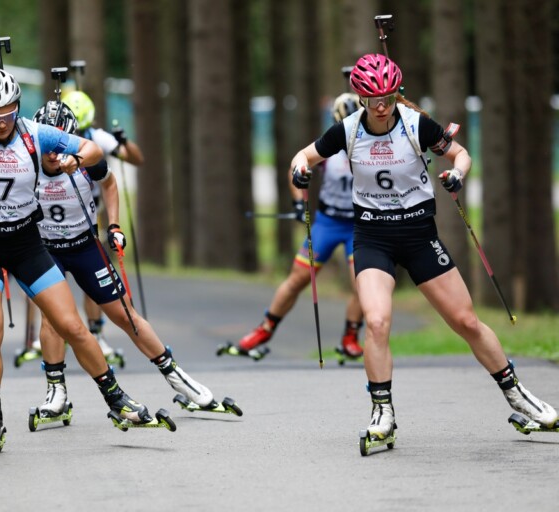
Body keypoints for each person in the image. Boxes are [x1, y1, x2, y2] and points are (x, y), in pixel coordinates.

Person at [288, 53, 558, 444]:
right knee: (376, 322)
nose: (381, 106)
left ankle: (518, 395)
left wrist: (457, 174)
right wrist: (300, 169)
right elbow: (304, 155)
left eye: (387, 97)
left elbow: (461, 153)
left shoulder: (416, 124)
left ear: (396, 93)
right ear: (360, 97)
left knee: (466, 322)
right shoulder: (348, 130)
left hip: (418, 235)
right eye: (372, 99)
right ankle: (382, 411)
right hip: (373, 237)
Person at [0, 66, 157, 451]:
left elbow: (91, 150)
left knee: (73, 326)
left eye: (7, 113)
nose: (1, 122)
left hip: (27, 244)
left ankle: (117, 401)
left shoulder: (35, 133)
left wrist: (76, 160)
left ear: (18, 106)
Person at [31, 100, 221, 419]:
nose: (52, 153)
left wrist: (115, 226)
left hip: (85, 245)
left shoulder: (85, 158)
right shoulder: (28, 163)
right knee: (52, 317)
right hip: (46, 248)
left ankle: (177, 377)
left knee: (125, 314)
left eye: (59, 144)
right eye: (47, 145)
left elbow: (109, 183)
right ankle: (56, 392)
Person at [237, 92, 364, 359]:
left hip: (359, 224)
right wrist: (298, 201)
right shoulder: (330, 145)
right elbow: (296, 167)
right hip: (328, 223)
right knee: (298, 279)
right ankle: (265, 328)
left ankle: (350, 336)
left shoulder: (370, 146)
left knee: (363, 284)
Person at [61, 90, 144, 361]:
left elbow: (135, 159)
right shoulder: (57, 139)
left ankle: (96, 332)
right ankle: (53, 332)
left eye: (82, 129)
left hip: (92, 210)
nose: (78, 134)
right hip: (59, 212)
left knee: (93, 276)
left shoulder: (98, 137)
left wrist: (124, 141)